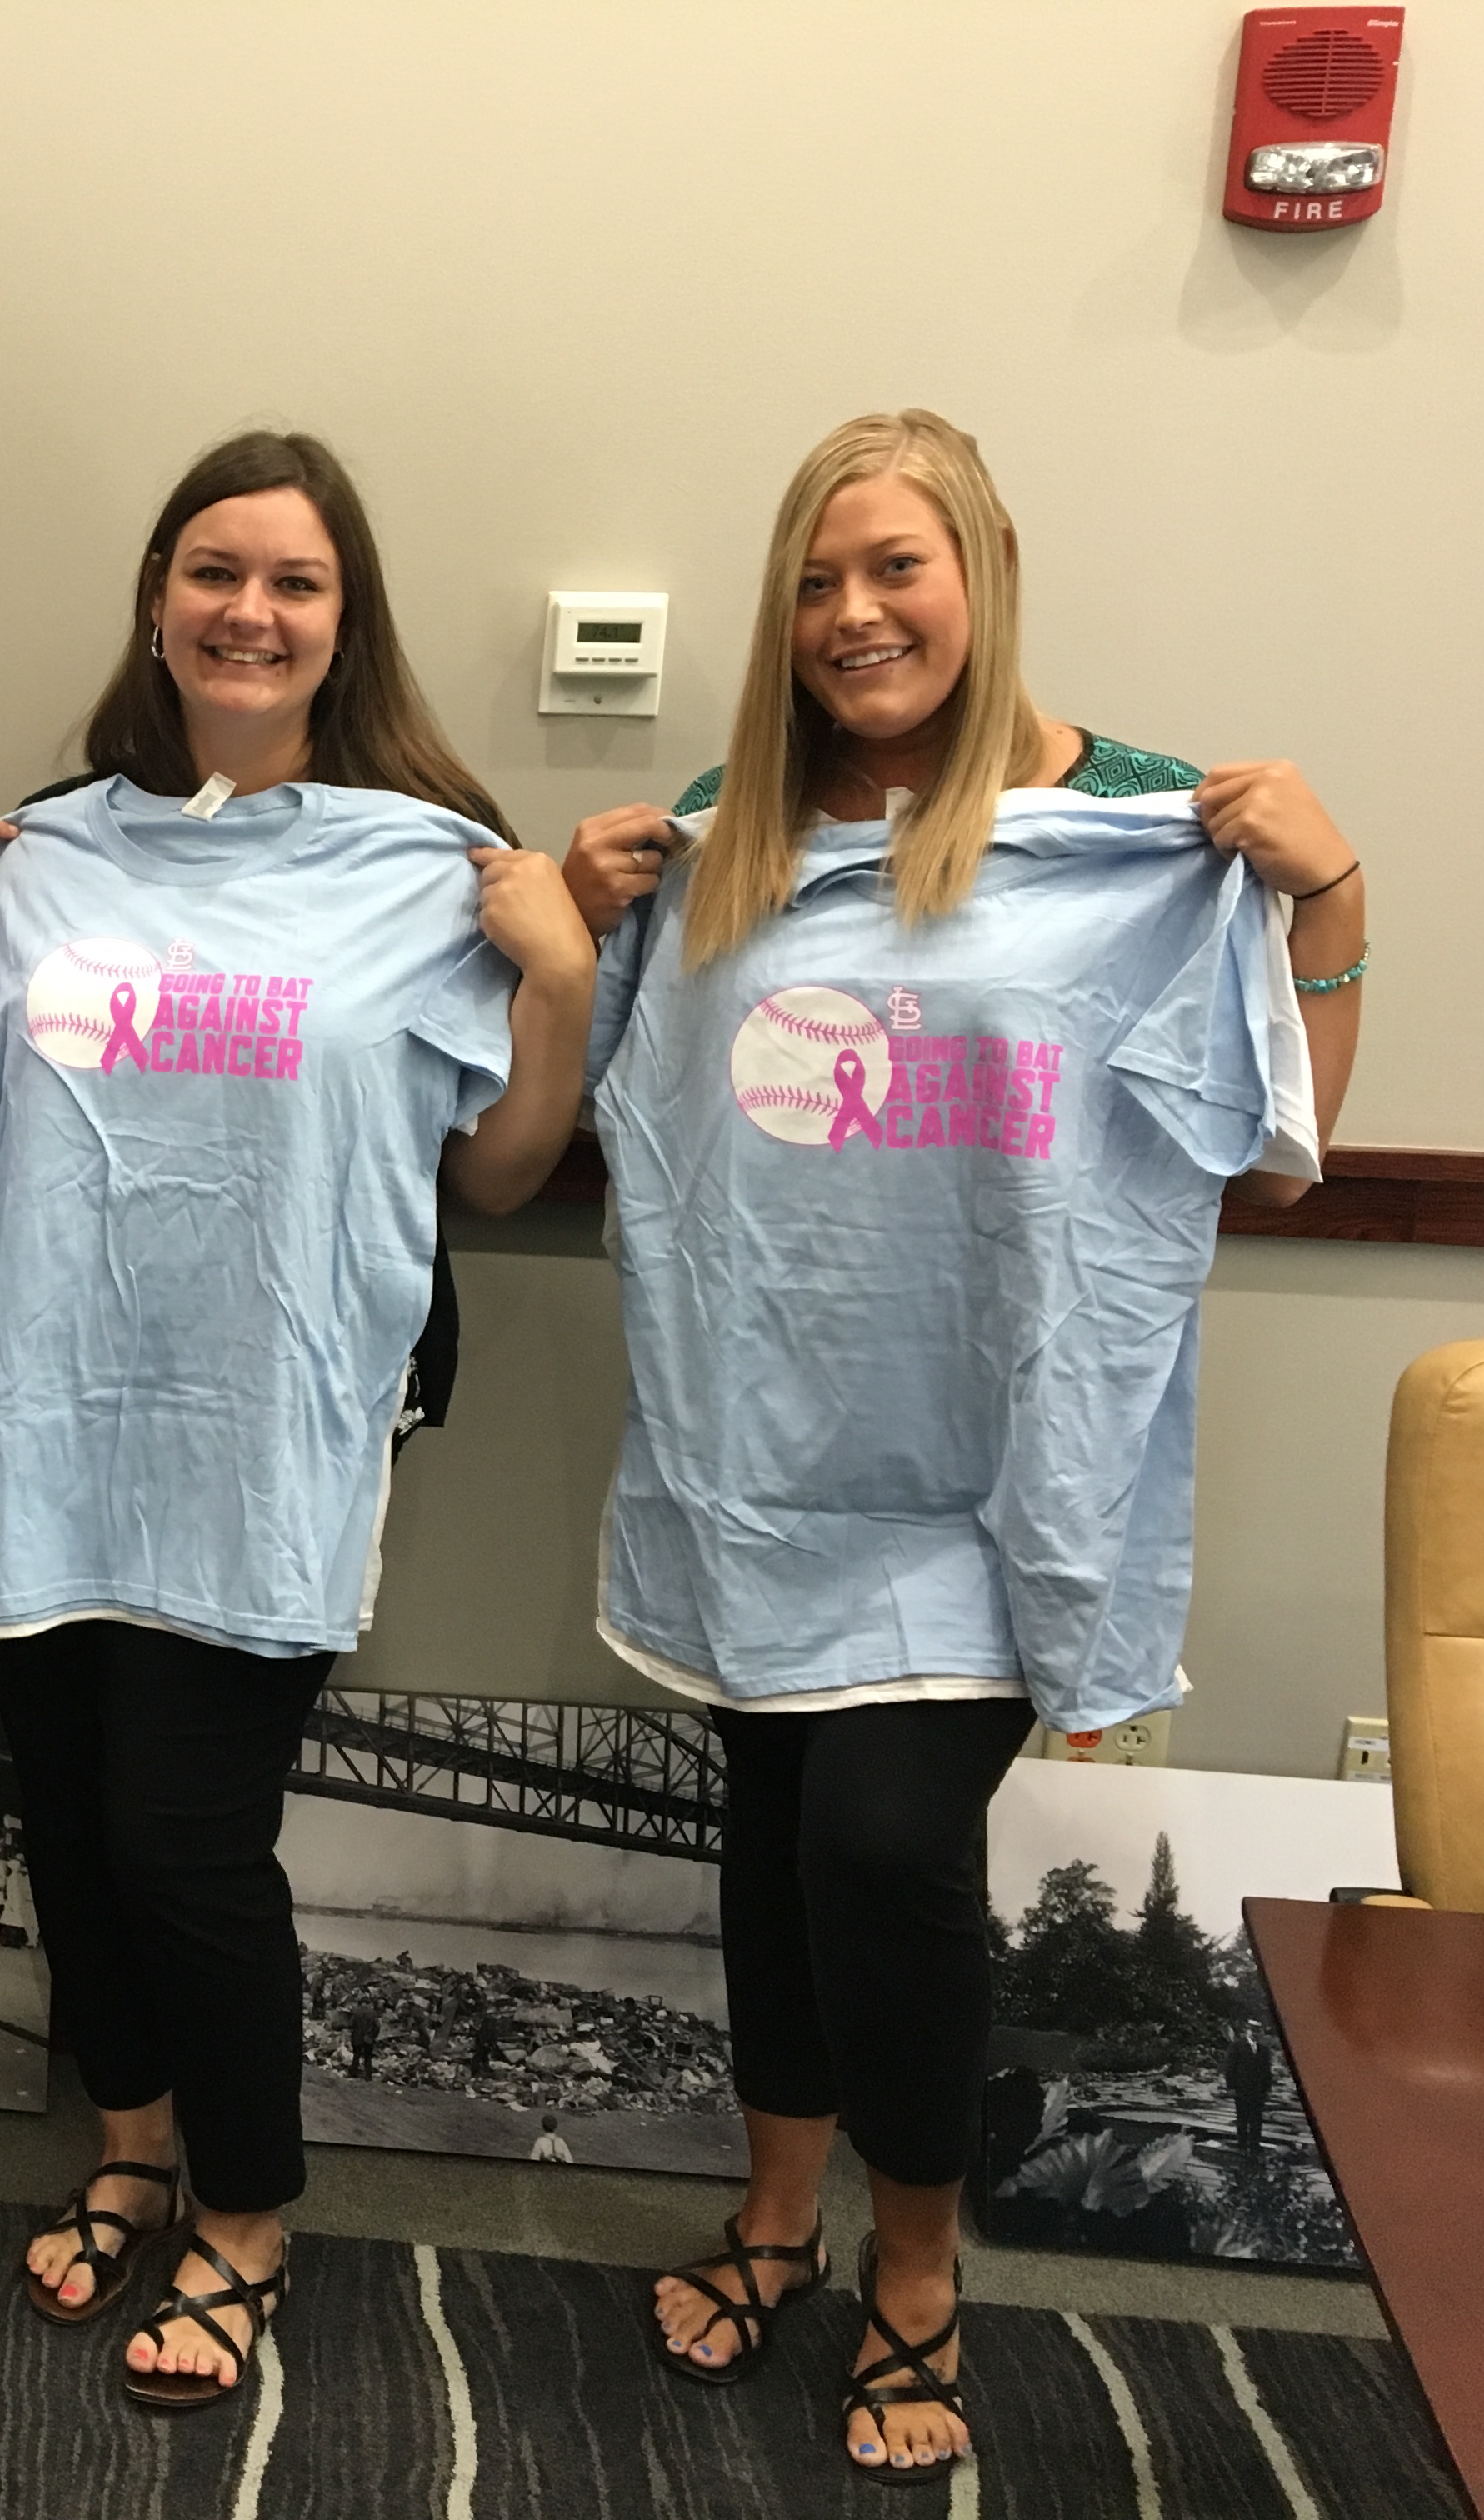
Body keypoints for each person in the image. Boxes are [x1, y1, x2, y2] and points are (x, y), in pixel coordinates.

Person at [573, 411, 1361, 2486]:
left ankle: (912, 2261)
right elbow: (612, 1105)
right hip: (764, 1456)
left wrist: (1329, 896)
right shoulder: (727, 829)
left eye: (896, 568)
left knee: (883, 1847)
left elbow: (1263, 1158)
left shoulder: (1135, 828)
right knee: (767, 1830)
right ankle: (769, 2211)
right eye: (820, 581)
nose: (854, 614)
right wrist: (592, 918)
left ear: (984, 573)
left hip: (998, 1476)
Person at [0, 428, 594, 2408]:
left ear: (342, 619)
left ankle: (251, 2211)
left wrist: (555, 995)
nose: (248, 612)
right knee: (77, 1826)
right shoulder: (39, 856)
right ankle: (131, 2147)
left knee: (186, 1841)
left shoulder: (426, 867)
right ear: (157, 598)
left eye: (291, 581)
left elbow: (507, 1178)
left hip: (269, 1435)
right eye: (214, 570)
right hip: (48, 1422)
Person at [1226, 2018, 1277, 2158]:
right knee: (1242, 2117)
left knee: (1256, 2118)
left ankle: (1255, 2145)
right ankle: (1242, 2144)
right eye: (1252, 2030)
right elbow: (1230, 2068)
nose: (1255, 2034)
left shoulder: (1264, 2050)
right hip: (1241, 2089)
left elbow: (1267, 2071)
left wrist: (1267, 2088)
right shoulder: (1237, 2046)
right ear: (1246, 2031)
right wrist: (1231, 2087)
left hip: (1258, 2091)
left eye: (1258, 2031)